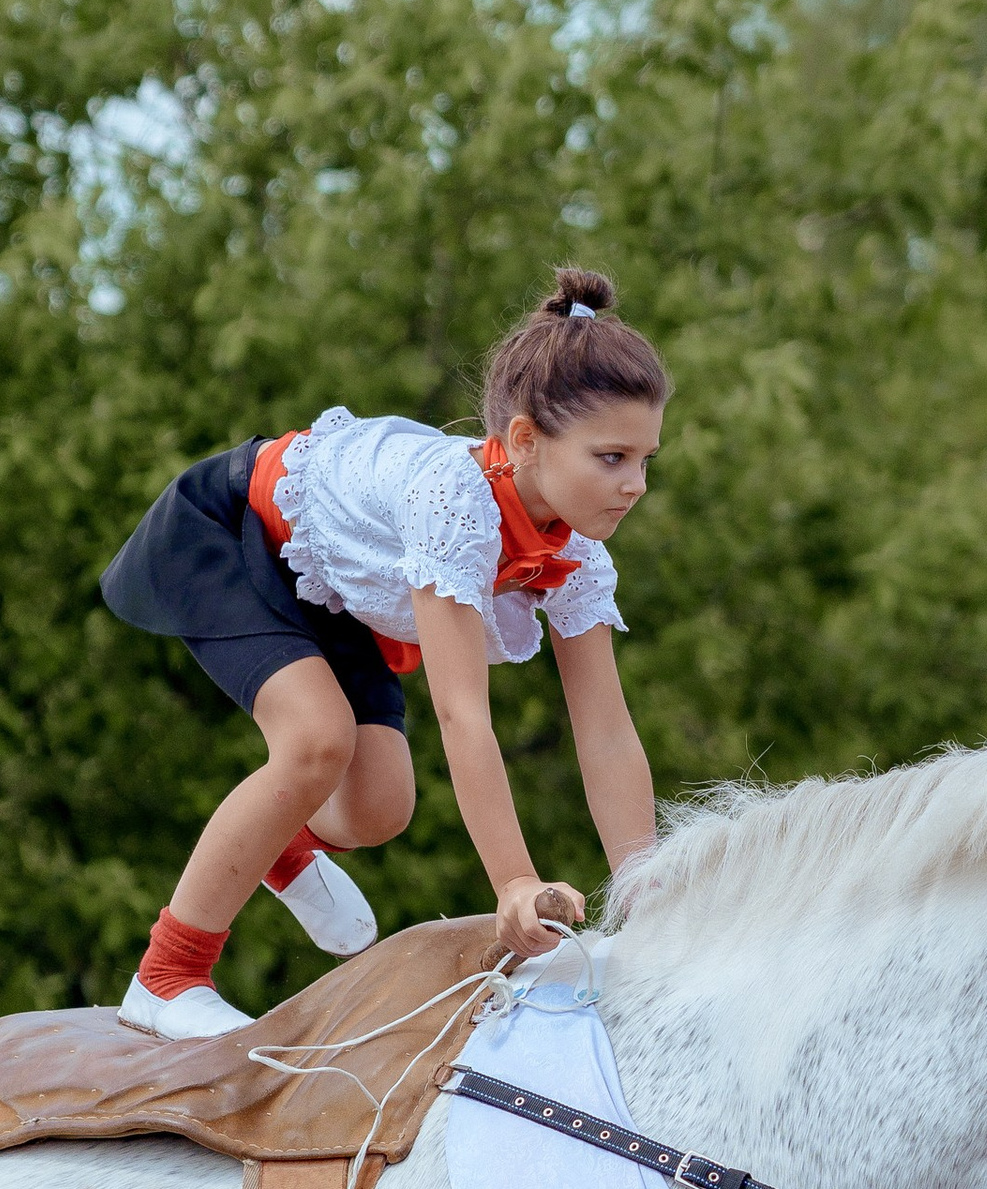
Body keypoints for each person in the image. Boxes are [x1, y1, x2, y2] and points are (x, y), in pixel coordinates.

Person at [98, 269, 667, 1037]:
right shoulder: (454, 502)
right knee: (315, 741)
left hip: (337, 586)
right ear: (526, 440)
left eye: (645, 461)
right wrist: (516, 882)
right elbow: (463, 715)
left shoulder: (579, 555)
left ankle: (279, 846)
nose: (634, 485)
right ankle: (167, 975)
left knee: (379, 808)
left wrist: (648, 903)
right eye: (611, 458)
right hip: (238, 530)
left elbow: (605, 732)